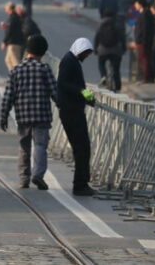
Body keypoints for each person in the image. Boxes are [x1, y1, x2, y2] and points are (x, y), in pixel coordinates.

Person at [0, 34, 56, 190]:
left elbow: (8, 95)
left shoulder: (16, 70)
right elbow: (54, 92)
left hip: (23, 117)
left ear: (27, 50)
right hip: (42, 116)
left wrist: (3, 116)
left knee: (24, 147)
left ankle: (24, 179)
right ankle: (38, 175)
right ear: (43, 52)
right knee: (40, 145)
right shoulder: (45, 69)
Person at [57, 37, 96, 196]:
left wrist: (88, 96)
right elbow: (67, 84)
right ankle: (80, 184)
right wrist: (83, 94)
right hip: (71, 112)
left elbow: (78, 86)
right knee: (82, 148)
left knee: (83, 147)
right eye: (85, 53)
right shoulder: (69, 61)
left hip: (74, 110)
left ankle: (82, 182)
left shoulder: (72, 61)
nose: (85, 57)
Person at [94, 10, 126, 92]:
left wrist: (95, 49)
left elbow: (96, 38)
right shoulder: (117, 25)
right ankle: (118, 87)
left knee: (101, 63)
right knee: (116, 69)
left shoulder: (100, 25)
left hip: (103, 50)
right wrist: (124, 48)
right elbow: (122, 38)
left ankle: (103, 76)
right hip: (116, 50)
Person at [131, 0, 153, 84]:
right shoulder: (145, 13)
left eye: (136, 4)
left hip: (143, 41)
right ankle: (147, 77)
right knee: (144, 58)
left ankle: (146, 78)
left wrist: (141, 40)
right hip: (143, 41)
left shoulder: (144, 14)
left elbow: (144, 29)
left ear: (140, 4)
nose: (135, 6)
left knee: (143, 59)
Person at [0, 1, 25, 73]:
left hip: (14, 43)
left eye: (6, 8)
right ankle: (13, 76)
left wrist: (4, 41)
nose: (5, 9)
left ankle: (18, 77)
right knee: (8, 60)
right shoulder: (13, 17)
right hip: (13, 42)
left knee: (15, 61)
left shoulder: (13, 18)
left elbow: (9, 30)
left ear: (10, 8)